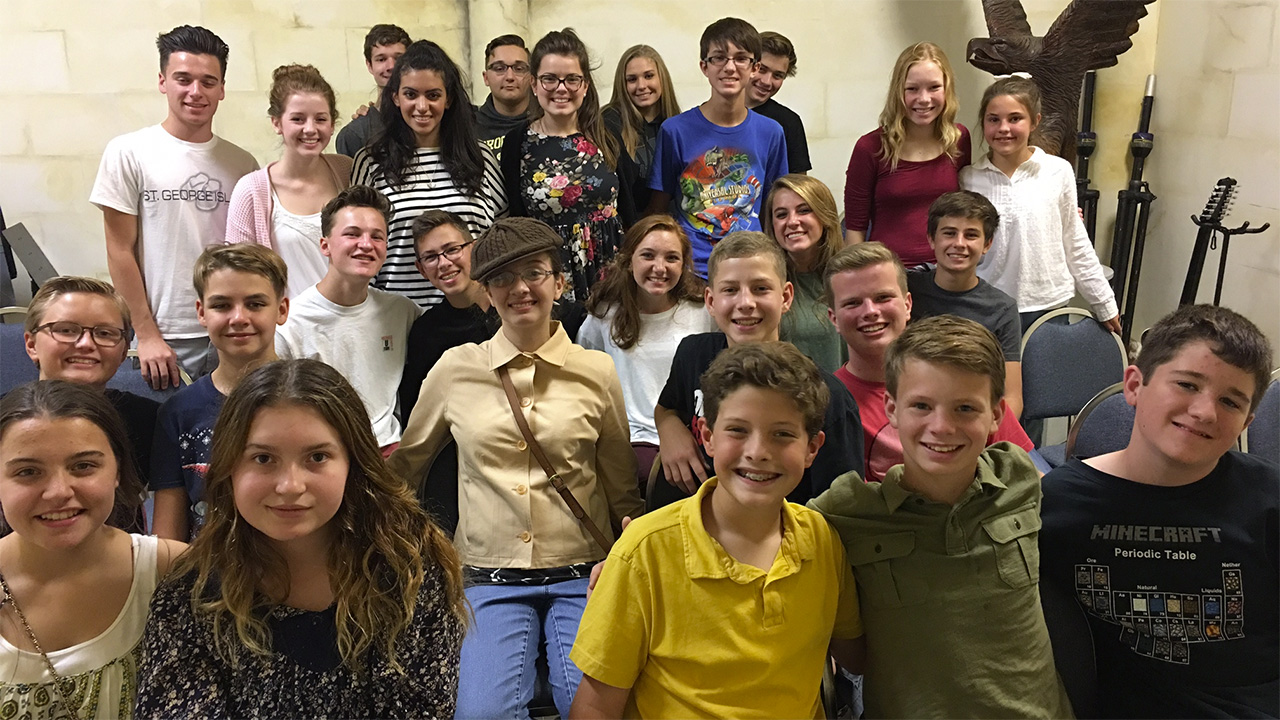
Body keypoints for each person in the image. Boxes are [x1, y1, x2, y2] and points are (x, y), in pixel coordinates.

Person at [389, 217, 644, 719]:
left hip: (585, 572)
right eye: (503, 278)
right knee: (481, 715)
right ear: (486, 293)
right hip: (488, 578)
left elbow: (619, 481)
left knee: (597, 711)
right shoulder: (456, 369)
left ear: (559, 282)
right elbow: (407, 467)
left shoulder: (596, 370)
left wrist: (632, 553)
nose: (520, 288)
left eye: (534, 273)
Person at [136, 359, 467, 718]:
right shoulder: (190, 592)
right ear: (229, 467)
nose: (290, 486)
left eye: (317, 457)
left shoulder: (410, 569)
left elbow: (423, 710)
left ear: (353, 463)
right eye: (263, 458)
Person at [569, 341, 864, 718]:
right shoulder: (644, 552)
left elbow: (856, 653)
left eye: (782, 434)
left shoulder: (822, 540)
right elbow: (595, 707)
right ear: (706, 435)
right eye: (738, 430)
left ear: (812, 448)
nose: (757, 451)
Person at [811, 315, 1073, 717]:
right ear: (892, 409)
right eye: (921, 406)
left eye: (965, 408)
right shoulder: (847, 512)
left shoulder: (1017, 476)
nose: (942, 427)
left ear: (996, 415)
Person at [1040, 304, 1278, 718]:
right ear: (1134, 385)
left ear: (1246, 423)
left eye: (1230, 402)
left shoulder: (1269, 499)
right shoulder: (1059, 505)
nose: (1205, 411)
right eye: (1187, 384)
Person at [0, 380, 185, 719]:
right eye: (28, 472)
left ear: (117, 471)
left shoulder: (174, 570)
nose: (58, 492)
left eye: (83, 466)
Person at [91, 25, 258, 389]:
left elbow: (249, 255)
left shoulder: (242, 163)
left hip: (229, 328)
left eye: (208, 81)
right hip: (164, 336)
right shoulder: (129, 152)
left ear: (222, 88)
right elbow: (119, 249)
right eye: (184, 79)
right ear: (163, 81)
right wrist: (146, 333)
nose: (196, 92)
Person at [652, 231, 863, 509]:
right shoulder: (692, 353)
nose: (745, 303)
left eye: (761, 288)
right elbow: (666, 407)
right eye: (730, 290)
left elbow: (842, 507)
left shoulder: (828, 396)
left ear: (785, 297)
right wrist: (669, 429)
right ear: (711, 301)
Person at [824, 241, 1032, 483]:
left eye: (883, 297)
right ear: (834, 318)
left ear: (908, 305)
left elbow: (1027, 477)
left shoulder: (960, 373)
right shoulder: (829, 402)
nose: (870, 311)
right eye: (852, 303)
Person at [960, 75, 1120, 334]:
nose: (1004, 128)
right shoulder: (969, 178)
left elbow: (1075, 241)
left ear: (1035, 121)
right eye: (994, 119)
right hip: (988, 305)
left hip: (1048, 305)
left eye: (1015, 118)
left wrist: (1104, 302)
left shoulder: (1057, 171)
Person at [151, 243, 290, 541]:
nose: (238, 317)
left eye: (255, 304)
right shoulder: (178, 413)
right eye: (222, 305)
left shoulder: (317, 400)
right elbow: (168, 539)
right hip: (209, 568)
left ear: (281, 310)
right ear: (201, 312)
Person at [352, 40, 506, 308]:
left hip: (476, 314)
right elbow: (360, 247)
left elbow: (500, 238)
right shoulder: (372, 161)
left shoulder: (480, 158)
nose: (422, 106)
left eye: (433, 95)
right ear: (396, 98)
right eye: (411, 95)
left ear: (448, 100)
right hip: (397, 315)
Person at [275, 185, 421, 453]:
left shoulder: (402, 312)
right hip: (325, 454)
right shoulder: (290, 325)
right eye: (352, 234)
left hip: (390, 453)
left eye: (377, 237)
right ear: (325, 245)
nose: (366, 245)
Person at [499, 28, 632, 304]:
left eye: (572, 79)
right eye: (550, 79)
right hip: (550, 276)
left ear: (585, 86)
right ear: (534, 84)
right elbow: (516, 219)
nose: (561, 88)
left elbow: (631, 210)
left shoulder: (606, 133)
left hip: (612, 271)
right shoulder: (517, 143)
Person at [578, 215, 712, 488]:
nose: (659, 268)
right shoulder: (605, 315)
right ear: (629, 261)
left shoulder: (703, 311)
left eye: (672, 258)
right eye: (648, 255)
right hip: (633, 439)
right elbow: (583, 376)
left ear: (684, 264)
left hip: (694, 432)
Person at [648, 17, 788, 277]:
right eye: (719, 58)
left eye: (741, 58)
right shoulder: (675, 131)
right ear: (705, 66)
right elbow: (658, 210)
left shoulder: (771, 133)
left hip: (751, 265)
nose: (730, 67)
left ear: (754, 67)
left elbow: (774, 208)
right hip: (692, 269)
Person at [226, 64, 353, 299]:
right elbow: (238, 275)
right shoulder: (252, 191)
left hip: (349, 315)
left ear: (332, 124)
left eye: (320, 119)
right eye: (298, 119)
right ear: (277, 123)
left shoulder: (348, 171)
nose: (310, 129)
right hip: (288, 319)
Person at [22, 277, 158, 497]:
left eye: (104, 333)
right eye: (66, 330)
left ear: (123, 351)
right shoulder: (5, 420)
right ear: (31, 345)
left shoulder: (151, 421)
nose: (86, 343)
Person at [844, 42, 970, 266]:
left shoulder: (959, 139)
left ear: (947, 89)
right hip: (888, 272)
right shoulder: (870, 147)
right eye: (912, 89)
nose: (924, 99)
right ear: (898, 91)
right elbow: (855, 230)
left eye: (934, 87)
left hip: (946, 271)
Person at [908, 190, 1024, 417]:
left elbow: (1012, 397)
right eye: (949, 233)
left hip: (972, 420)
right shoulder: (906, 290)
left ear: (987, 244)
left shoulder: (1002, 309)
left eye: (971, 235)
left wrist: (989, 433)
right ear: (931, 239)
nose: (959, 243)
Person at [764, 174, 846, 373]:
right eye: (781, 215)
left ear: (825, 216)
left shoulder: (850, 279)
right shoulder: (764, 286)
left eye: (804, 210)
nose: (792, 221)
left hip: (844, 391)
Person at [603, 44, 681, 219]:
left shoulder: (678, 125)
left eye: (648, 76)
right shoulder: (608, 124)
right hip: (626, 226)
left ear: (662, 78)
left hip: (671, 226)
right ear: (622, 85)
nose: (641, 85)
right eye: (632, 79)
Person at [335, 24, 410, 157]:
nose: (391, 66)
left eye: (399, 59)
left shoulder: (426, 120)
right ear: (369, 65)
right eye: (381, 59)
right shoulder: (355, 134)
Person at [746, 31, 811, 174]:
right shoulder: (714, 113)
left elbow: (798, 182)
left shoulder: (788, 122)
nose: (767, 82)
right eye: (762, 69)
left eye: (777, 75)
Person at [475, 34, 533, 152]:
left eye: (519, 69)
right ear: (486, 78)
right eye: (499, 68)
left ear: (532, 77)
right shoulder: (468, 127)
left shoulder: (548, 121)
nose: (510, 77)